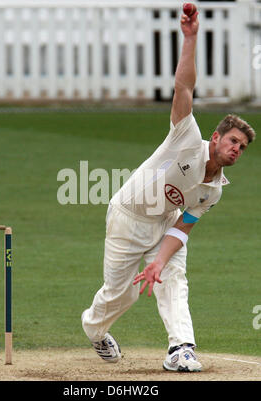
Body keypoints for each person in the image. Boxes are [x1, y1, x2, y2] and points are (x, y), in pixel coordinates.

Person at [81, 10, 256, 372]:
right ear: (217, 137)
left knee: (173, 278)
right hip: (128, 217)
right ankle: (94, 329)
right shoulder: (186, 138)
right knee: (121, 294)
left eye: (243, 147)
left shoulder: (214, 191)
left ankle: (182, 349)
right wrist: (190, 39)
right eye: (234, 141)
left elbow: (183, 226)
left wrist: (159, 260)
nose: (237, 149)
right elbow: (184, 88)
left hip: (164, 223)